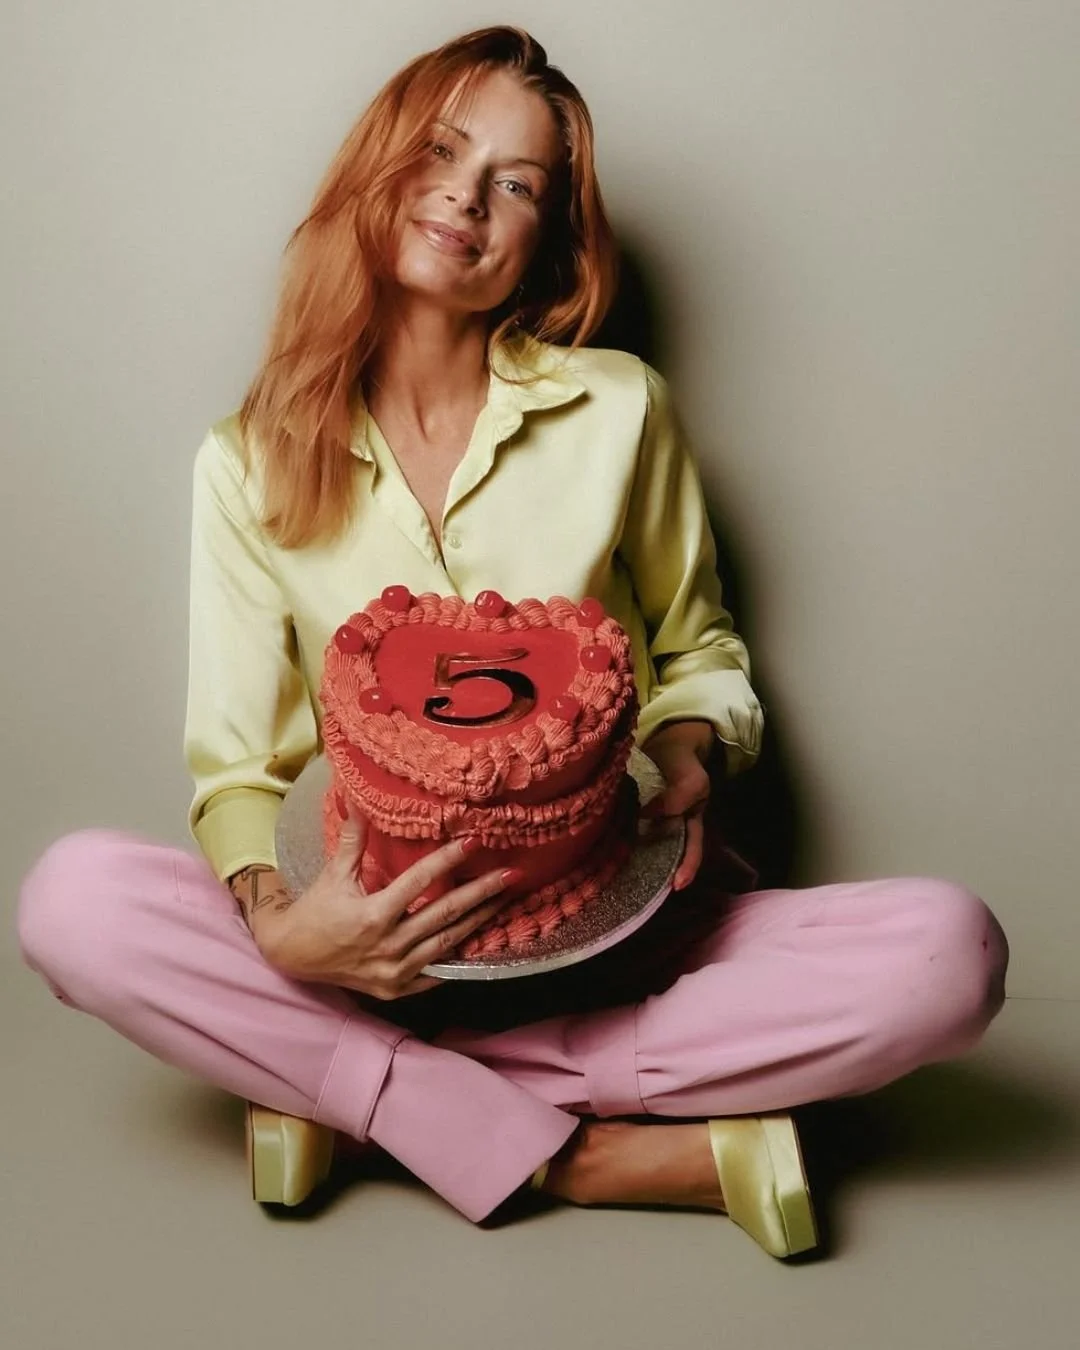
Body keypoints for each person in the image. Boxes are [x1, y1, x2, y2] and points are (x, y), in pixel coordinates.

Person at [16, 26, 1008, 1259]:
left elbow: (700, 655)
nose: (467, 197)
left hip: (615, 926)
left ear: (548, 242)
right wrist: (282, 927)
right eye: (441, 150)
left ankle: (373, 1105)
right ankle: (593, 1148)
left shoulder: (620, 410)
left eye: (518, 183)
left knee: (947, 954)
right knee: (75, 902)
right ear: (378, 166)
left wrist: (691, 747)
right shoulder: (248, 461)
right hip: (367, 955)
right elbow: (237, 768)